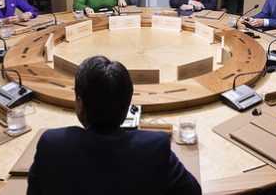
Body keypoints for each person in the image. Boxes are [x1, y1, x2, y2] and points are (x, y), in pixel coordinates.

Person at [27, 56, 201, 195]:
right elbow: (193, 192)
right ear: (128, 105)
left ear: (79, 103)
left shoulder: (52, 143)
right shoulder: (154, 146)